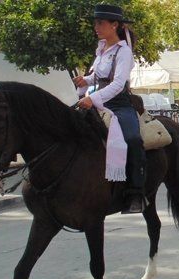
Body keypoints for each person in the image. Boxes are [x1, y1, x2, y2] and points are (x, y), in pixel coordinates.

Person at [73, 4, 145, 214]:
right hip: (98, 100)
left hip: (120, 104)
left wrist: (92, 98)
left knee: (133, 139)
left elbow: (117, 83)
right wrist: (84, 80)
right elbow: (98, 76)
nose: (96, 27)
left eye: (100, 23)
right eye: (95, 22)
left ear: (114, 25)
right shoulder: (102, 48)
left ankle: (136, 192)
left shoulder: (124, 52)